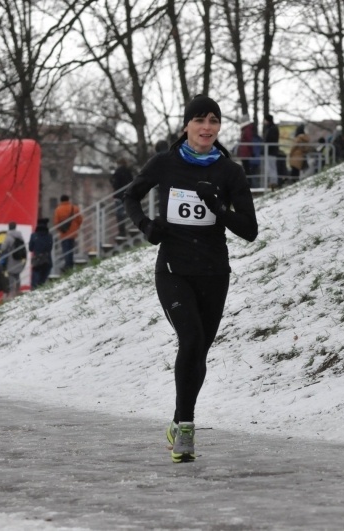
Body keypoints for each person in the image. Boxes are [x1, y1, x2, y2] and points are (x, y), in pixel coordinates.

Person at [123, 94, 258, 463]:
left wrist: (220, 209)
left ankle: (177, 420)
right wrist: (146, 226)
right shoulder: (165, 164)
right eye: (200, 120)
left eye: (214, 121)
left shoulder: (229, 171)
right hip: (174, 269)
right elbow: (131, 197)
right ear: (187, 125)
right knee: (192, 338)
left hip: (214, 271)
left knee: (199, 351)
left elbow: (250, 230)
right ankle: (186, 427)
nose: (207, 128)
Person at [52, 195, 83, 273]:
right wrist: (76, 228)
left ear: (61, 200)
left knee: (66, 249)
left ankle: (68, 264)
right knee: (71, 249)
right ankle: (69, 264)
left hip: (64, 234)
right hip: (73, 233)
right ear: (68, 200)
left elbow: (56, 222)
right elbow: (80, 219)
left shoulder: (58, 210)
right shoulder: (75, 208)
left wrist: (60, 230)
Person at [0, 221, 26, 298]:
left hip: (11, 259)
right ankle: (18, 290)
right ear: (15, 227)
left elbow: (3, 248)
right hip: (18, 258)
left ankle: (12, 292)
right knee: (17, 275)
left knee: (11, 275)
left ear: (9, 227)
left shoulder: (9, 237)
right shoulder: (20, 236)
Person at [110, 158, 134, 238]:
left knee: (120, 214)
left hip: (119, 195)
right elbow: (132, 181)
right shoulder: (128, 171)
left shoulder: (118, 172)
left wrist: (113, 184)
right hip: (127, 194)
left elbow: (114, 182)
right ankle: (131, 227)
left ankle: (122, 231)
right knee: (129, 212)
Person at [28, 218, 53, 289]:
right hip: (47, 260)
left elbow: (30, 248)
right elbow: (50, 248)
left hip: (37, 261)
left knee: (35, 281)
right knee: (43, 281)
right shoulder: (49, 236)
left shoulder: (33, 235)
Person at [262, 114, 279, 188]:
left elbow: (270, 139)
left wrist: (265, 144)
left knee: (271, 167)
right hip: (271, 151)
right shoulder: (272, 128)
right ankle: (272, 182)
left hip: (271, 151)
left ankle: (273, 182)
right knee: (271, 167)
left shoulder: (272, 128)